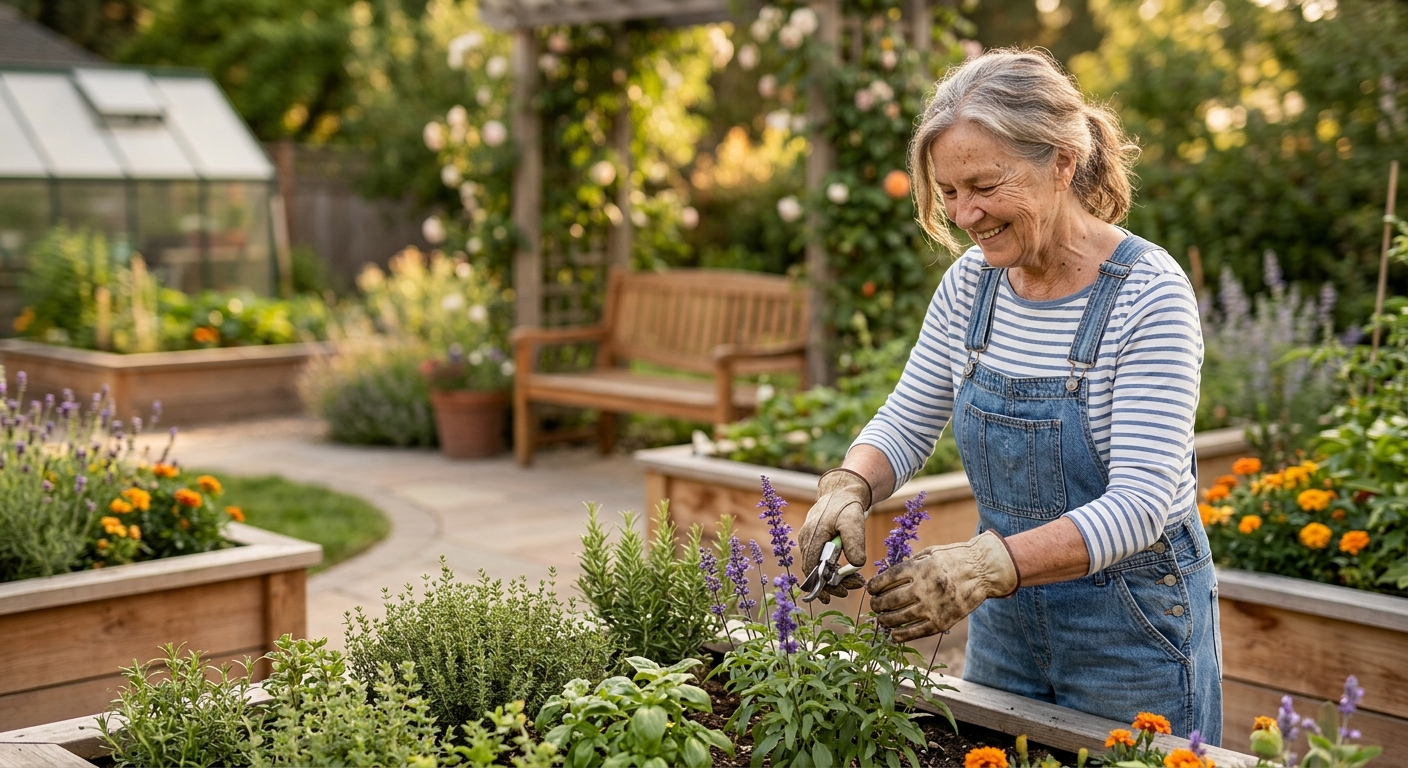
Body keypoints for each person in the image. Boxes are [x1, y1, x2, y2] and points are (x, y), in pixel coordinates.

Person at [797, 48, 1222, 743]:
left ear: (1062, 161)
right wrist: (850, 484)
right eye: (949, 192)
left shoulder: (1149, 295)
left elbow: (1144, 503)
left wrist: (985, 563)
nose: (965, 214)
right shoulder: (973, 285)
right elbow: (907, 419)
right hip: (1007, 622)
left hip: (1135, 627)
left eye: (984, 185)